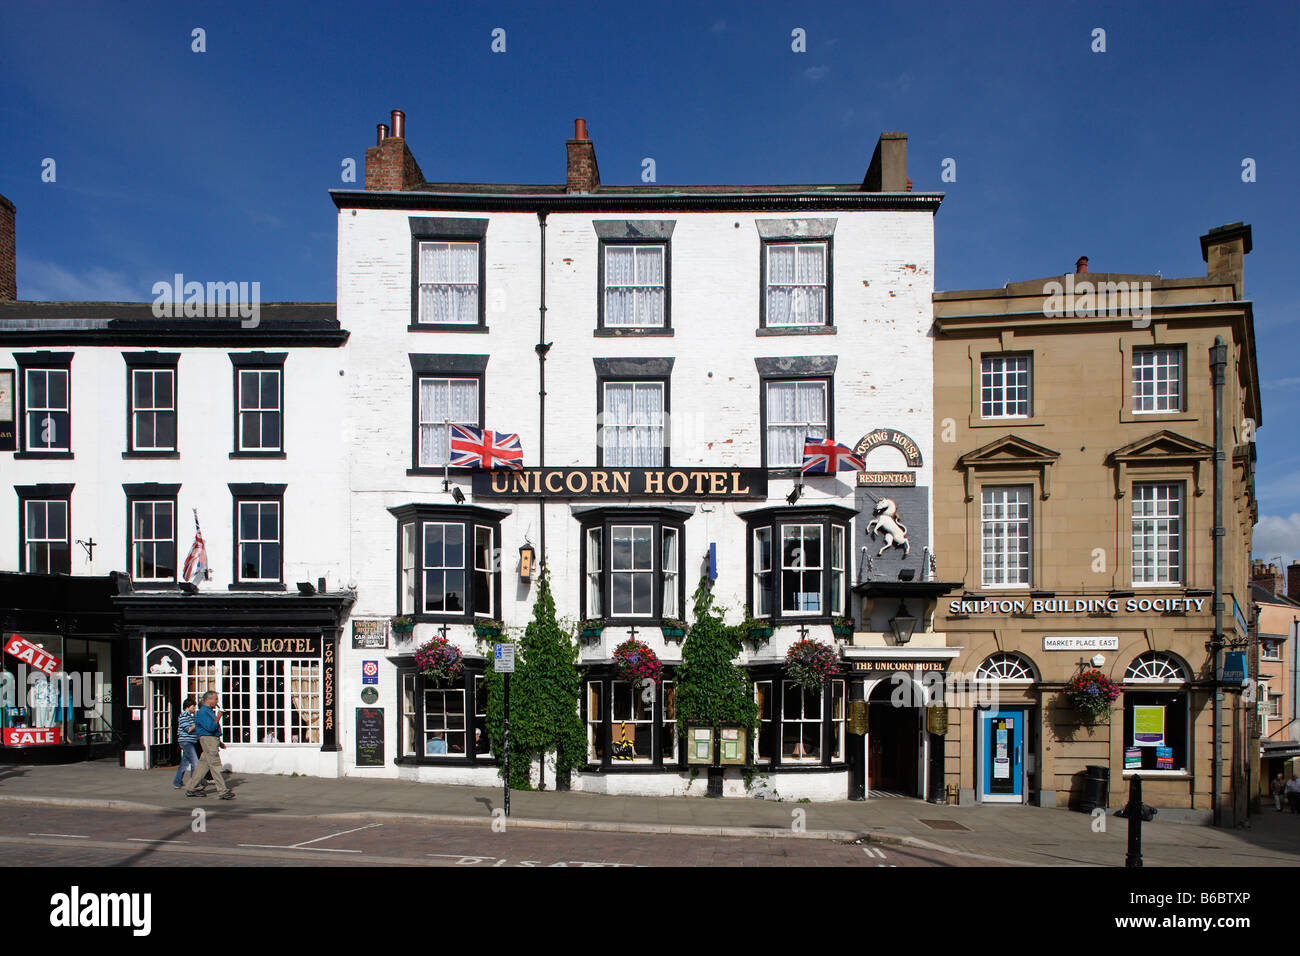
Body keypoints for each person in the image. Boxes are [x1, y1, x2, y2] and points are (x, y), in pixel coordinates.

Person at [186, 690, 234, 800]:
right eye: (215, 699)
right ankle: (222, 791)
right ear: (208, 699)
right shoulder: (203, 712)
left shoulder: (208, 711)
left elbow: (213, 730)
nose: (217, 701)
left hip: (211, 740)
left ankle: (192, 788)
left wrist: (219, 742)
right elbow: (211, 727)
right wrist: (219, 716)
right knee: (215, 765)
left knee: (202, 766)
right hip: (208, 740)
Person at [172, 697, 199, 790]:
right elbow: (188, 729)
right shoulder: (184, 716)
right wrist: (197, 723)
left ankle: (177, 782)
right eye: (193, 706)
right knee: (195, 762)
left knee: (184, 764)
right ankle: (194, 783)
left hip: (191, 741)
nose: (195, 708)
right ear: (188, 706)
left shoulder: (191, 716)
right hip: (186, 742)